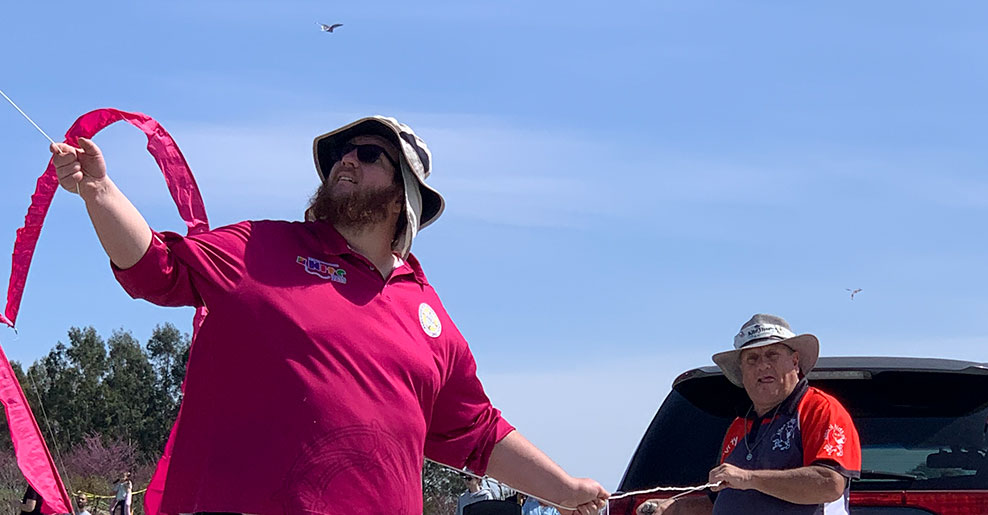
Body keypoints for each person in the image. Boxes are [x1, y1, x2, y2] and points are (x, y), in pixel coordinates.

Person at [50, 116, 608, 515]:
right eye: (342, 152)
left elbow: (475, 432)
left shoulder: (429, 313)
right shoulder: (258, 248)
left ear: (405, 195)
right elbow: (156, 268)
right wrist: (98, 190)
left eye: (369, 155)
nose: (346, 159)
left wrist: (562, 487)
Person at [639, 314, 862, 515]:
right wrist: (674, 508)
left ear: (794, 362)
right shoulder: (738, 427)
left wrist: (748, 478)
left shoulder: (820, 409)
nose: (763, 365)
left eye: (772, 355)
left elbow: (829, 484)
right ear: (742, 372)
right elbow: (722, 500)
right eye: (752, 359)